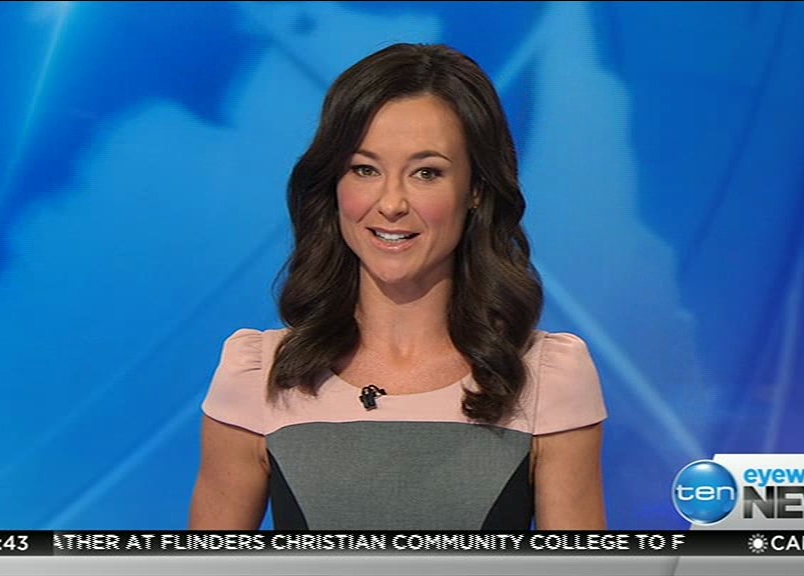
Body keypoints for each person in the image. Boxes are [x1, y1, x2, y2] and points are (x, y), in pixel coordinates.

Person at [189, 43, 606, 530]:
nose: (391, 204)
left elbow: (579, 562)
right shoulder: (258, 375)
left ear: (475, 189)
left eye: (426, 173)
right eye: (365, 169)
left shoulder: (545, 378)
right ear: (334, 184)